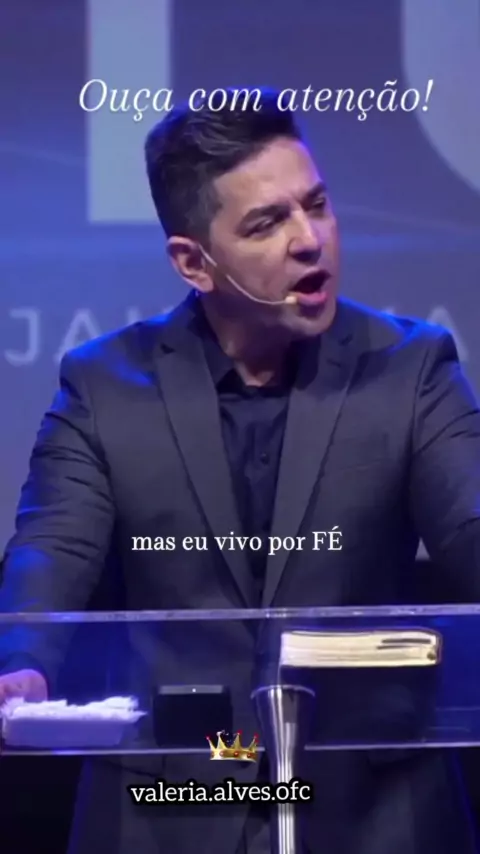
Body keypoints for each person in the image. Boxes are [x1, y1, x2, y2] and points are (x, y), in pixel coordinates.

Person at [0, 87, 480, 854]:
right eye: (266, 223)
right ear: (194, 262)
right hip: (165, 809)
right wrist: (22, 665)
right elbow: (52, 550)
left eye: (315, 205)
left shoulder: (412, 367)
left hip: (375, 810)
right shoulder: (104, 384)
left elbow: (470, 525)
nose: (309, 240)